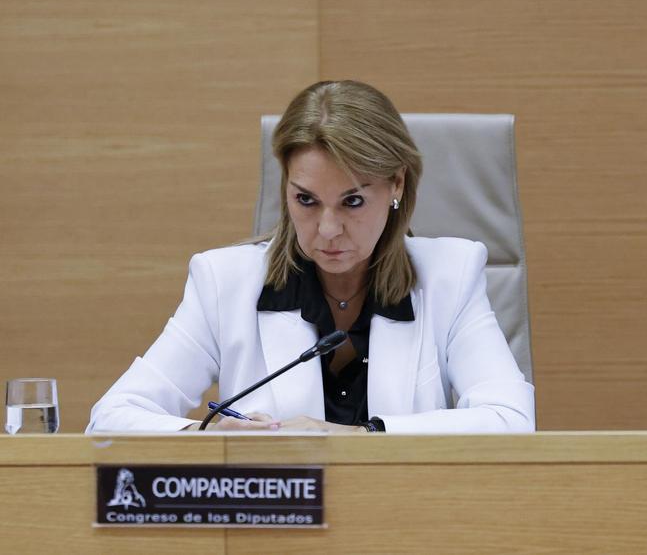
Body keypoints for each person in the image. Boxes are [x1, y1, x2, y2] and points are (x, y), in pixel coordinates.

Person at [89, 80, 534, 433]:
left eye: (352, 202)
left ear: (396, 184)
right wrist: (206, 438)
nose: (327, 229)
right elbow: (111, 417)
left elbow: (511, 419)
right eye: (306, 200)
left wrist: (365, 437)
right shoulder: (223, 282)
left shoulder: (450, 277)